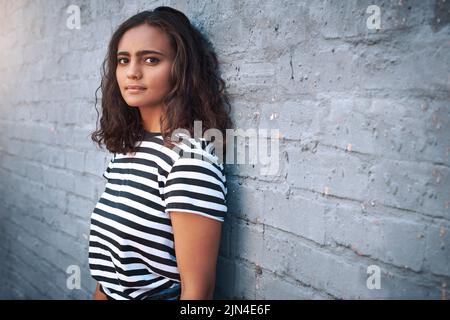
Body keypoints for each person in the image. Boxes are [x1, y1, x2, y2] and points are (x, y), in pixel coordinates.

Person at [89, 6, 232, 300]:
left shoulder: (189, 162)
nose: (132, 72)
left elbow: (197, 293)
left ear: (181, 69)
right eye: (123, 60)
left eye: (151, 59)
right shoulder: (127, 148)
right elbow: (110, 277)